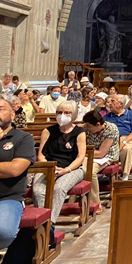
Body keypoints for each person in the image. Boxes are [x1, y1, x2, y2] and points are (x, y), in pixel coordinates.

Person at [33, 100, 86, 234]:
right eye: (59, 112)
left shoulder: (79, 132)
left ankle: (49, 224)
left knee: (59, 188)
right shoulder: (48, 131)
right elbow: (41, 155)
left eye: (67, 113)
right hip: (49, 167)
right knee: (38, 190)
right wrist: (49, 167)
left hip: (71, 168)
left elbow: (80, 157)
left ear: (73, 115)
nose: (62, 115)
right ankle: (42, 222)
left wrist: (66, 170)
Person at [0, 97, 36, 254]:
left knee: (2, 232)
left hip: (6, 198)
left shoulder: (23, 138)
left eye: (0, 109)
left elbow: (14, 169)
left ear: (12, 115)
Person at [82, 110, 120, 211]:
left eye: (89, 126)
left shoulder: (111, 129)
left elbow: (101, 153)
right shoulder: (86, 128)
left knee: (90, 171)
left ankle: (95, 203)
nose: (87, 128)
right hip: (88, 155)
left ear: (98, 124)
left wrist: (81, 153)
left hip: (106, 156)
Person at [104, 95, 132, 181]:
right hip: (111, 139)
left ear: (120, 104)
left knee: (127, 149)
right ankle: (107, 173)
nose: (110, 104)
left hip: (127, 139)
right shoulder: (107, 117)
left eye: (113, 101)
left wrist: (124, 142)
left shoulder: (130, 114)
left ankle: (125, 175)